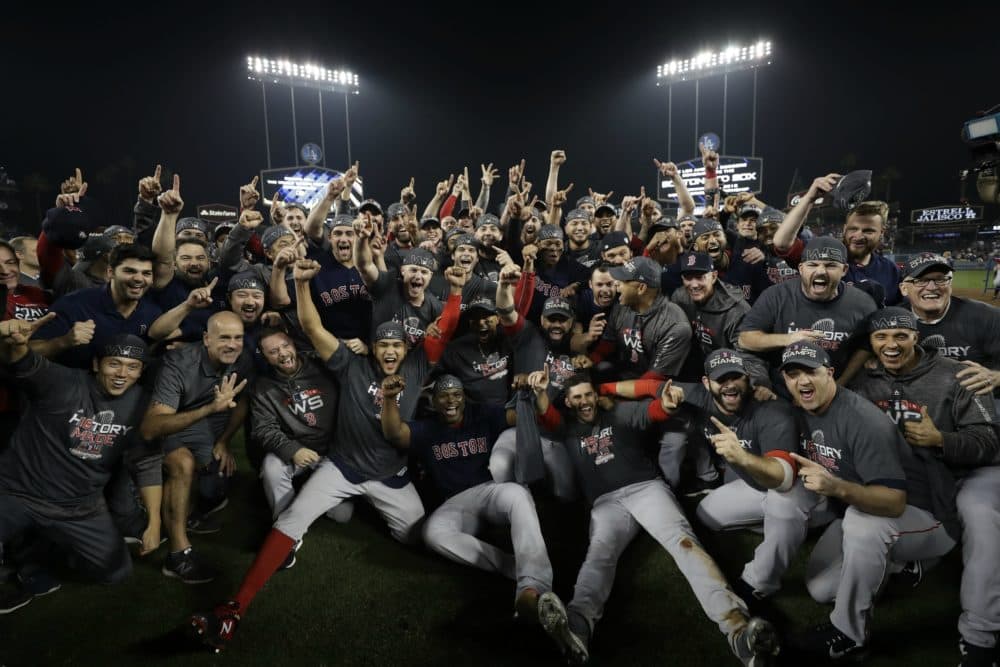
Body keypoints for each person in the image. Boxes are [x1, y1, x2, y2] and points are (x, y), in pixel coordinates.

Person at [187, 259, 465, 652]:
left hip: (390, 475)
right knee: (292, 519)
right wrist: (302, 285)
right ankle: (233, 609)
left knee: (419, 537)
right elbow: (314, 328)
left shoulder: (418, 366)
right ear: (373, 345)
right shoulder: (352, 365)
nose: (389, 351)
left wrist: (455, 292)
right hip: (342, 467)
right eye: (382, 344)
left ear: (407, 348)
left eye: (396, 345)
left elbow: (446, 330)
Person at [532, 371, 780, 666]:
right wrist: (540, 394)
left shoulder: (619, 413)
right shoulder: (567, 427)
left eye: (588, 394)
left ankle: (739, 631)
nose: (584, 401)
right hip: (607, 504)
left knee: (685, 544)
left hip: (646, 489)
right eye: (577, 397)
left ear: (596, 396)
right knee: (600, 555)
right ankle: (576, 630)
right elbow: (547, 417)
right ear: (570, 403)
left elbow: (652, 411)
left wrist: (666, 404)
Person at [379, 372, 579, 658]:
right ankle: (517, 568)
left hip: (488, 490)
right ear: (434, 402)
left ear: (464, 397)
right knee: (431, 534)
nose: (451, 401)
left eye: (456, 394)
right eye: (444, 396)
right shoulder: (427, 428)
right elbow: (394, 433)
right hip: (454, 504)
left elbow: (523, 414)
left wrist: (537, 393)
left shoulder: (481, 414)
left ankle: (531, 590)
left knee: (518, 495)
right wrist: (388, 399)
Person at [778, 340, 957, 660]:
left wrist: (837, 488)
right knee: (822, 589)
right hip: (869, 507)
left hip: (928, 516)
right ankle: (902, 563)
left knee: (863, 525)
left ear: (830, 373)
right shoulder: (802, 408)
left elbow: (894, 503)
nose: (802, 381)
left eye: (811, 372)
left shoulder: (861, 419)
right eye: (793, 375)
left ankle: (850, 634)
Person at [848, 307, 1000, 667]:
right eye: (881, 337)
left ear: (917, 337)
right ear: (870, 345)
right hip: (921, 479)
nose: (891, 344)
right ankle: (918, 559)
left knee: (980, 517)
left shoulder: (958, 374)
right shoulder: (867, 381)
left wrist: (941, 439)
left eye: (901, 335)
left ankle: (981, 634)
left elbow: (989, 441)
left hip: (970, 472)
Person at [0, 323, 160, 613]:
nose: (122, 374)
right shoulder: (60, 381)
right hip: (17, 493)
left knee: (116, 572)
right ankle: (21, 558)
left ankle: (43, 548)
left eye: (132, 367)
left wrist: (155, 521)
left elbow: (147, 462)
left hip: (79, 506)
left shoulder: (142, 405)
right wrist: (16, 343)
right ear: (97, 363)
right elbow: (22, 361)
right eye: (115, 364)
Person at [140, 311, 253, 584]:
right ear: (206, 339)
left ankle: (184, 511)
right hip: (167, 421)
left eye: (238, 338)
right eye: (224, 338)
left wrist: (224, 441)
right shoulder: (178, 364)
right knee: (183, 465)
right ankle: (177, 554)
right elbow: (150, 428)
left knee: (215, 486)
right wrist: (210, 409)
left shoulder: (243, 358)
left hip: (205, 424)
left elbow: (244, 401)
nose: (232, 344)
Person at [737, 237, 876, 384]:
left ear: (844, 270)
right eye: (813, 265)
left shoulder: (863, 304)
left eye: (830, 265)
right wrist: (788, 339)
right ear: (801, 268)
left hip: (836, 387)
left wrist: (840, 384)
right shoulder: (776, 295)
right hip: (783, 389)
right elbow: (745, 339)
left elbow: (865, 347)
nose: (821, 271)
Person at [251, 327, 349, 528]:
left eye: (285, 346)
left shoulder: (322, 365)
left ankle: (309, 487)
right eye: (273, 352)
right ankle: (285, 524)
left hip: (333, 451)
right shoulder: (262, 387)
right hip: (297, 450)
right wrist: (293, 450)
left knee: (342, 515)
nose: (283, 354)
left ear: (293, 344)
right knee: (272, 466)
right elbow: (263, 429)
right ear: (266, 358)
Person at [772, 174, 901, 305]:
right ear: (844, 229)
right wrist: (810, 198)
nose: (859, 236)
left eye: (868, 231)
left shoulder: (891, 270)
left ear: (882, 232)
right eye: (853, 229)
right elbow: (781, 243)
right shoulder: (822, 254)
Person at [31, 243, 161, 370]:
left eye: (146, 273)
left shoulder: (152, 313)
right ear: (110, 272)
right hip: (73, 384)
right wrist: (64, 341)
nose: (139, 278)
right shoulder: (74, 304)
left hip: (125, 386)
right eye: (129, 271)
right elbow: (29, 350)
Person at [898, 253, 1000, 409]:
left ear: (950, 283)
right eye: (921, 280)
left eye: (940, 279)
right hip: (915, 402)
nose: (932, 287)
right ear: (904, 288)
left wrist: (996, 377)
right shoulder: (892, 321)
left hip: (974, 402)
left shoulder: (987, 317)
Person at [583, 256, 692, 382]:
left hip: (658, 390)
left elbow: (653, 379)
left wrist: (603, 391)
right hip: (625, 377)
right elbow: (607, 345)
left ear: (641, 288)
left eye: (623, 280)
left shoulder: (675, 326)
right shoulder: (622, 306)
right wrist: (590, 360)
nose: (616, 283)